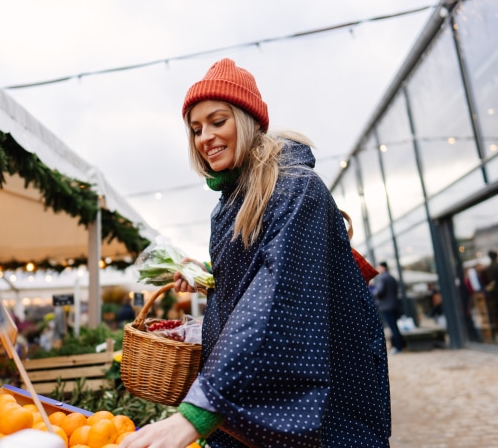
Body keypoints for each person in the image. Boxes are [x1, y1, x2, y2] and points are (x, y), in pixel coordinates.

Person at [119, 58, 391, 448]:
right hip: (247, 406)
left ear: (246, 121)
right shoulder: (229, 203)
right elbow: (253, 281)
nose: (204, 137)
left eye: (217, 121)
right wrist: (209, 277)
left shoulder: (297, 189)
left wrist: (201, 410)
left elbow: (277, 298)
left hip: (326, 408)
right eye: (196, 129)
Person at [374, 262, 405, 355]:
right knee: (395, 326)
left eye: (378, 267)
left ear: (383, 268)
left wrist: (375, 294)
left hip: (386, 306)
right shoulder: (392, 277)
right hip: (395, 304)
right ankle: (399, 345)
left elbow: (379, 291)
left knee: (392, 327)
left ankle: (398, 347)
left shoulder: (382, 277)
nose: (377, 269)